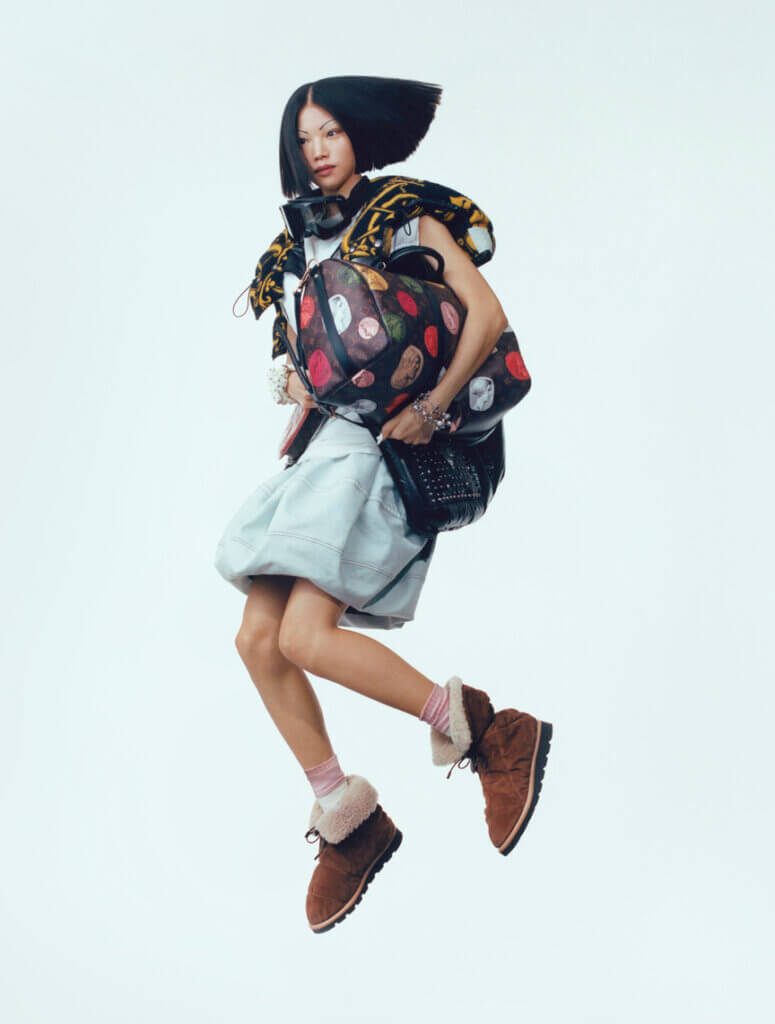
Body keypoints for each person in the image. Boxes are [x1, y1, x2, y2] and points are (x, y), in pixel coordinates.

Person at [214, 76, 552, 934]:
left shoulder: (404, 215)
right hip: (319, 449)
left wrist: (430, 408)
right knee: (257, 641)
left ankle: (488, 733)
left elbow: (486, 316)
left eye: (330, 132)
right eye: (304, 139)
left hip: (374, 453)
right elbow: (311, 358)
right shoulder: (295, 246)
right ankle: (347, 817)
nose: (317, 150)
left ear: (359, 134)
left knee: (302, 636)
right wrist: (295, 378)